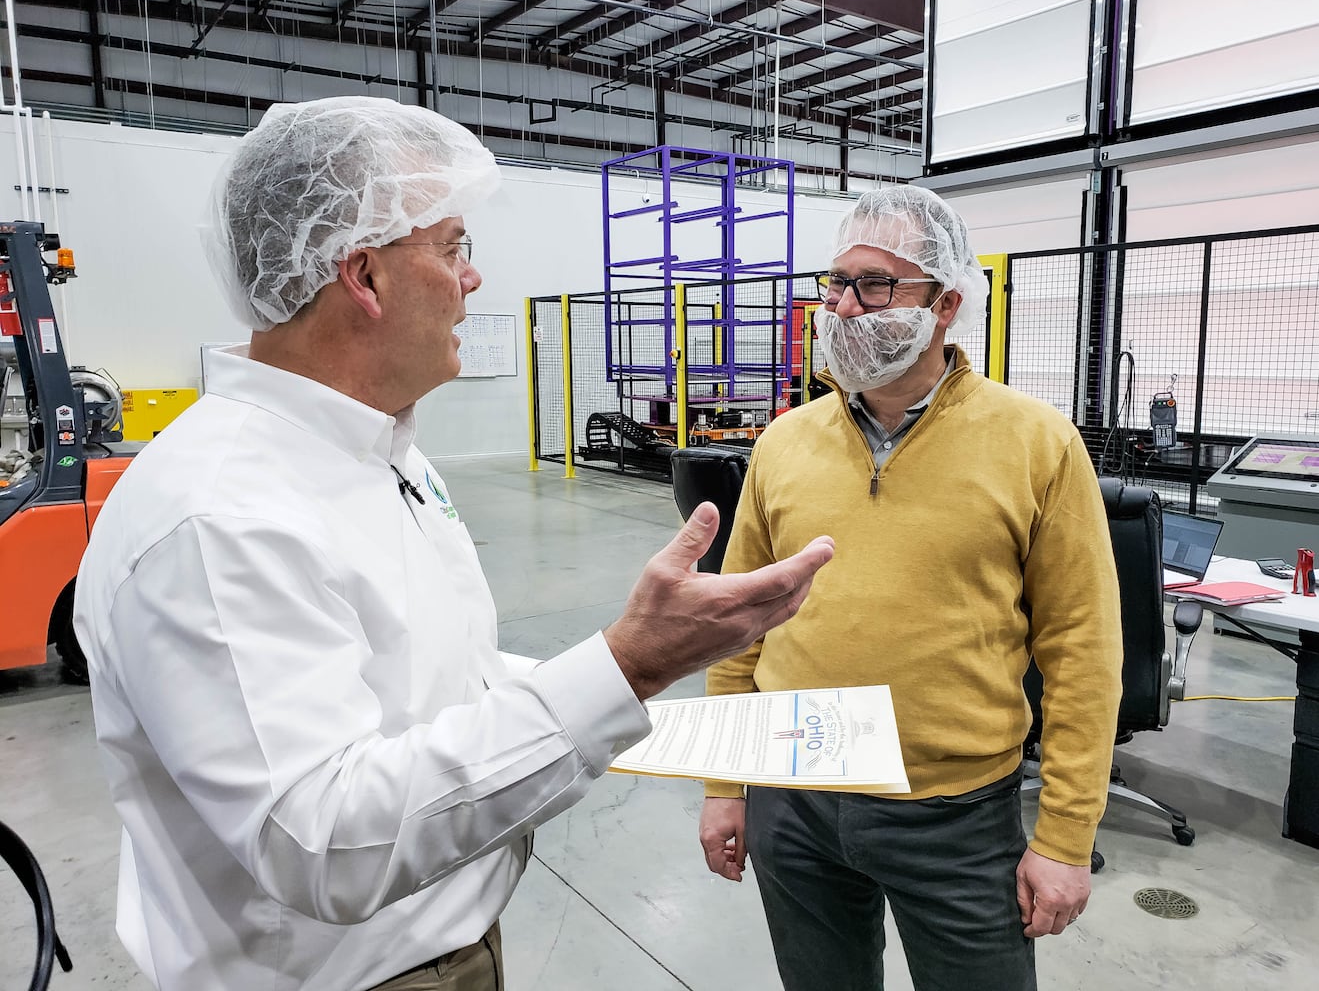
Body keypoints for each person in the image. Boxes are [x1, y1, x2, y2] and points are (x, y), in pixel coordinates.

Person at [72, 96, 834, 991]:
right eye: (452, 248)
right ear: (364, 274)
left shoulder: (377, 453)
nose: (472, 279)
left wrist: (642, 699)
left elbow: (430, 682)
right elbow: (323, 845)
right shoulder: (221, 514)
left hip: (442, 942)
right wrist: (625, 669)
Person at [697, 185, 1123, 991]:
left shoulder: (1034, 441)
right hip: (792, 798)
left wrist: (1065, 835)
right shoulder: (784, 443)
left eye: (876, 284)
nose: (844, 307)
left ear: (946, 303)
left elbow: (1082, 650)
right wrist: (726, 785)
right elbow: (737, 627)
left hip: (953, 811)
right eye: (834, 282)